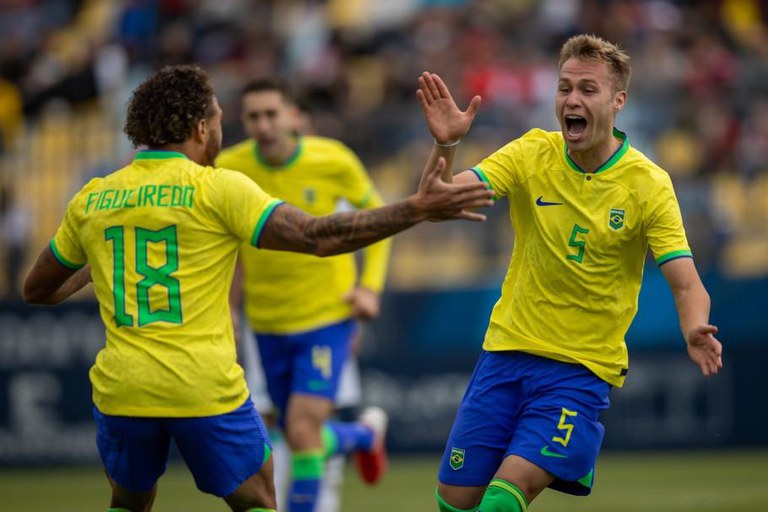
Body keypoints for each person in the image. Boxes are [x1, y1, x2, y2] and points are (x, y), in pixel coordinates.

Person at [21, 64, 493, 512]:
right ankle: (363, 436)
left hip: (123, 388)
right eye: (224, 119)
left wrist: (102, 256)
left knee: (128, 503)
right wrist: (415, 209)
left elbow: (38, 289)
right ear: (202, 129)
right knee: (259, 500)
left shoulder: (95, 197)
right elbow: (317, 237)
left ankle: (362, 437)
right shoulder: (219, 187)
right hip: (203, 386)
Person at [415, 34, 724, 512]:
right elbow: (435, 204)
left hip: (579, 370)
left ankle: (568, 443)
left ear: (618, 101)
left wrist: (693, 327)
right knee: (455, 502)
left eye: (587, 89)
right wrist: (446, 142)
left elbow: (686, 282)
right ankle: (557, 458)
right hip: (505, 352)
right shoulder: (530, 153)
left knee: (501, 500)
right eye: (564, 89)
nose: (572, 100)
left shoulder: (648, 185)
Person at [216, 78, 390, 512]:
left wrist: (369, 288)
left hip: (326, 319)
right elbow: (231, 248)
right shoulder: (229, 169)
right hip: (268, 325)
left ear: (294, 116)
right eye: (253, 117)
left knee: (302, 428)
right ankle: (365, 435)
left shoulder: (333, 159)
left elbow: (381, 225)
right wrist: (229, 310)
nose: (264, 125)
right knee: (287, 432)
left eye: (272, 114)